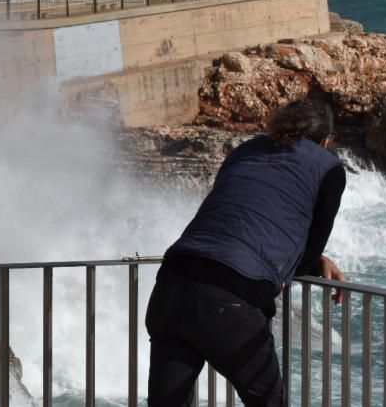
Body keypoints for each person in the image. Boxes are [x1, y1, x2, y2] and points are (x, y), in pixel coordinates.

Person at [146, 98, 348, 406]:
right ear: (326, 141)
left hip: (172, 284)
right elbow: (309, 247)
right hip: (230, 298)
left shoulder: (246, 150)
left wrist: (313, 259)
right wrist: (313, 262)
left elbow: (236, 210)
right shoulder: (328, 168)